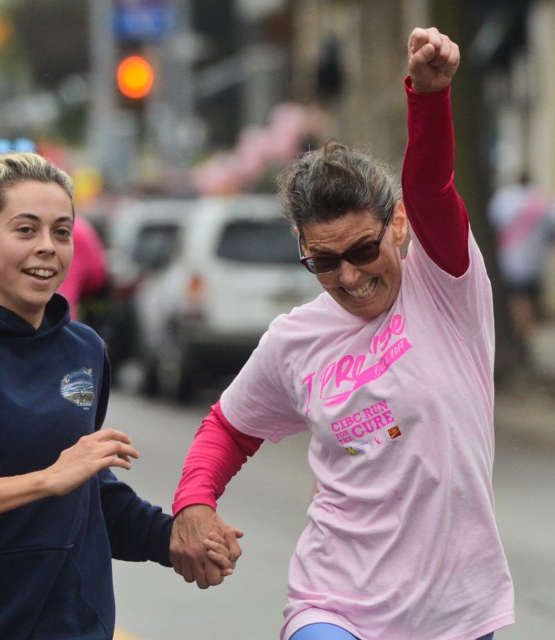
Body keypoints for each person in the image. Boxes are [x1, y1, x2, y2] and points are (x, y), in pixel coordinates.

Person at [169, 27, 513, 640]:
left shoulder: (445, 284)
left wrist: (428, 95)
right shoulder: (293, 340)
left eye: (362, 249)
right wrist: (194, 503)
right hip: (334, 606)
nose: (350, 276)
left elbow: (431, 185)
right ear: (302, 250)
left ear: (398, 225)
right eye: (324, 262)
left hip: (457, 614)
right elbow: (227, 427)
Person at [0, 151, 235, 639]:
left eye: (61, 232)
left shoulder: (83, 349)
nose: (47, 247)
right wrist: (44, 480)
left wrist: (172, 539)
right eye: (25, 230)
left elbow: (83, 491)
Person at [487, 171, 555, 338]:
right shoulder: (540, 199)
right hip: (535, 260)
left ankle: (522, 332)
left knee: (517, 298)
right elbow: (550, 229)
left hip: (510, 257)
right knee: (529, 298)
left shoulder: (504, 199)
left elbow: (495, 224)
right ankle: (527, 331)